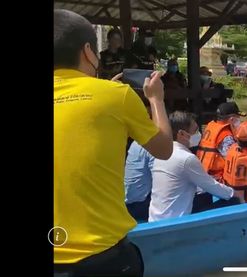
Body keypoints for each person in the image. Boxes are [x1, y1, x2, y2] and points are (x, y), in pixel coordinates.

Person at [54, 9, 173, 276]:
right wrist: (156, 99)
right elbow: (164, 149)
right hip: (101, 258)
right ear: (87, 51)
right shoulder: (116, 95)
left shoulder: (110, 92)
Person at [149, 111, 235, 222]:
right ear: (182, 134)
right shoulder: (186, 158)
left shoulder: (161, 154)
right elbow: (212, 187)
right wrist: (234, 193)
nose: (199, 135)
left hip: (155, 218)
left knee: (205, 196)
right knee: (233, 200)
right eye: (195, 131)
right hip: (175, 222)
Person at [197, 102, 246, 180]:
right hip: (217, 176)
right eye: (238, 117)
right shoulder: (226, 136)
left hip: (203, 171)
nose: (240, 120)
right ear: (232, 119)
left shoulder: (211, 126)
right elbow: (233, 159)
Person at [124, 140, 155, 222]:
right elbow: (160, 177)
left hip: (127, 202)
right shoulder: (154, 144)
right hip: (139, 204)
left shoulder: (136, 142)